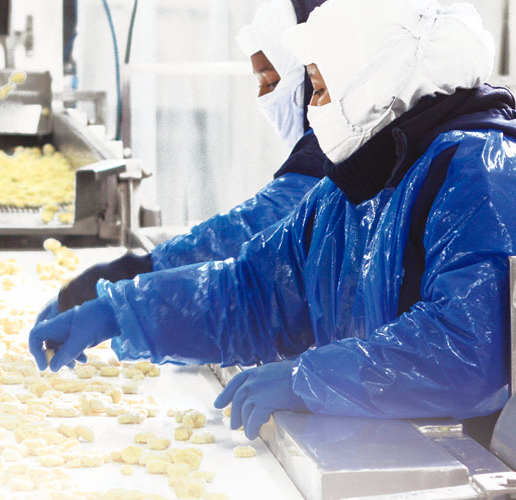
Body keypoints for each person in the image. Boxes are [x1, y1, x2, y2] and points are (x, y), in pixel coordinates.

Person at [28, 0, 516, 440]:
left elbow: (471, 349)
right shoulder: (360, 186)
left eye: (319, 89)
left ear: (376, 80)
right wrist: (121, 311)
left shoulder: (490, 176)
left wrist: (310, 378)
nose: (312, 110)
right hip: (416, 446)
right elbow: (256, 290)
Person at [36, 0, 329, 324]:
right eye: (259, 82)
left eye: (273, 82)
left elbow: (256, 229)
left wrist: (139, 273)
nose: (264, 97)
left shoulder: (335, 152)